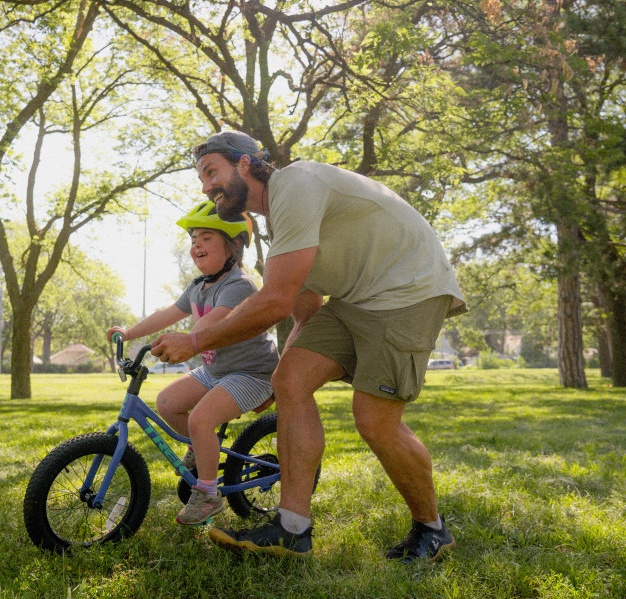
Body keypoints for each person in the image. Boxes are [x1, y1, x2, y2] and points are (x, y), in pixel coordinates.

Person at [150, 131, 467, 560]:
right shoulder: (280, 222)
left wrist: (195, 339)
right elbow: (305, 307)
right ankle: (292, 529)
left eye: (211, 172)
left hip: (408, 291)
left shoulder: (295, 184)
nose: (205, 186)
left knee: (374, 420)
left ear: (245, 164)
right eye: (201, 178)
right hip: (355, 298)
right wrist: (274, 382)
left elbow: (275, 300)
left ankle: (432, 529)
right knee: (292, 382)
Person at [107, 201, 279, 526]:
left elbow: (208, 327)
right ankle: (204, 455)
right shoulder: (198, 286)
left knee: (200, 419)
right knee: (167, 403)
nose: (196, 245)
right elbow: (167, 314)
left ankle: (209, 494)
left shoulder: (238, 285)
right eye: (193, 239)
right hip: (216, 370)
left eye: (206, 238)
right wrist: (128, 333)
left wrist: (181, 341)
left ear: (233, 245)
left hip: (252, 373)